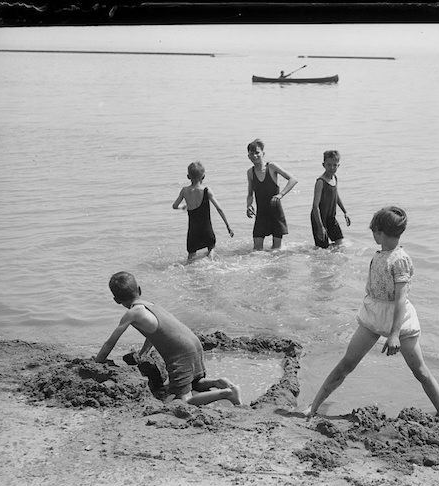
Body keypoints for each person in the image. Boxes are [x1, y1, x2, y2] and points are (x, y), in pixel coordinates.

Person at [304, 206, 439, 420]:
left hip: (399, 320)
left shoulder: (399, 260)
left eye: (373, 231)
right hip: (373, 314)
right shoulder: (382, 253)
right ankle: (314, 406)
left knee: (420, 370)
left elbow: (400, 299)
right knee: (346, 364)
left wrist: (394, 334)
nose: (372, 235)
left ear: (380, 233)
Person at [94, 271, 242, 406]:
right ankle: (222, 382)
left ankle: (227, 393)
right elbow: (153, 333)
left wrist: (97, 362)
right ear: (139, 289)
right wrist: (142, 353)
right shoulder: (151, 305)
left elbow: (110, 342)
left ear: (116, 300)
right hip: (194, 344)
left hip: (181, 354)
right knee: (196, 383)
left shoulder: (132, 313)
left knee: (185, 400)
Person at [173, 161, 234, 260]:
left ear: (188, 176)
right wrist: (228, 225)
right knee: (211, 250)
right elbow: (219, 208)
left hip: (193, 231)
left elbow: (174, 206)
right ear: (203, 176)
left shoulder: (184, 190)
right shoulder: (206, 190)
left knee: (191, 255)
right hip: (206, 230)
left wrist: (183, 206)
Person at [245, 138, 298, 250]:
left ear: (263, 153)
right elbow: (250, 194)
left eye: (257, 153)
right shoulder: (250, 172)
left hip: (276, 213)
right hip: (261, 214)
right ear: (248, 156)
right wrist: (249, 205)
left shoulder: (272, 167)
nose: (255, 156)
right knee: (257, 251)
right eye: (251, 153)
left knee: (276, 251)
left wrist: (281, 194)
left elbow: (293, 179)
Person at [310, 150, 351, 248]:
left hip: (331, 217)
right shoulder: (320, 182)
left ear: (338, 165)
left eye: (334, 165)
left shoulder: (335, 178)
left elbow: (336, 196)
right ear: (323, 165)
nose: (332, 168)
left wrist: (345, 212)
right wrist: (320, 227)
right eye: (329, 165)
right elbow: (315, 206)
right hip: (319, 218)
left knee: (339, 243)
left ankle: (333, 261)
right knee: (322, 249)